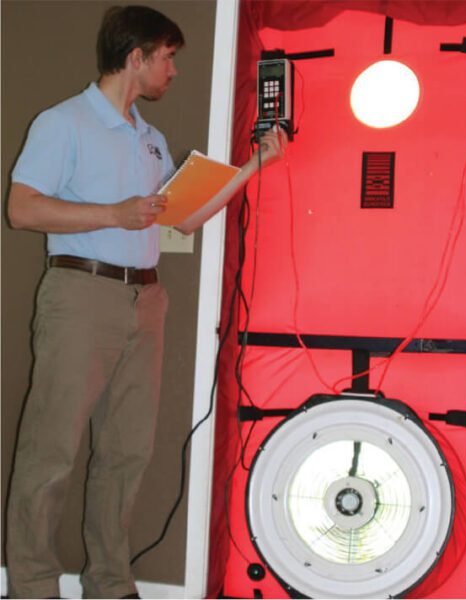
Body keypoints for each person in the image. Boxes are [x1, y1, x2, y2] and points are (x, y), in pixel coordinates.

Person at [5, 5, 286, 599]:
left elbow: (178, 220)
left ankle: (109, 581)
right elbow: (22, 209)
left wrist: (255, 166)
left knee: (127, 452)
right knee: (50, 450)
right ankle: (31, 585)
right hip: (80, 297)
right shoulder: (62, 123)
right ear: (136, 57)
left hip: (146, 301)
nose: (173, 71)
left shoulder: (150, 138)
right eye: (168, 57)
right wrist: (112, 214)